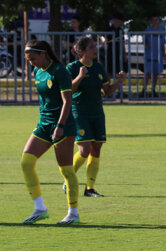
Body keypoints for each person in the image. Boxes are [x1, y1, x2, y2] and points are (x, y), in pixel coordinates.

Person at [20, 40, 80, 225]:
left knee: (66, 170)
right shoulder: (38, 71)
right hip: (44, 124)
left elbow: (67, 102)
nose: (31, 63)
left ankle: (73, 214)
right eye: (28, 60)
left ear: (44, 53)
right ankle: (40, 209)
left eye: (33, 58)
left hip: (62, 125)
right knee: (26, 162)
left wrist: (60, 126)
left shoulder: (60, 72)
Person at [65, 36, 126, 197]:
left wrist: (119, 82)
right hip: (79, 112)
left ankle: (90, 188)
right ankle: (68, 180)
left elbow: (107, 92)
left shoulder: (98, 67)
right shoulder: (72, 67)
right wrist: (80, 76)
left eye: (95, 46)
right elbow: (68, 90)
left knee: (96, 149)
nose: (95, 49)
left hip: (97, 113)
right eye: (92, 47)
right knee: (84, 149)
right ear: (82, 51)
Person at [142, 14, 166, 97]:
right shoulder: (147, 30)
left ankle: (153, 90)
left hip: (158, 56)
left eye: (157, 20)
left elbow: (163, 44)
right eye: (153, 20)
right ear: (151, 21)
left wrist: (164, 55)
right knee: (148, 73)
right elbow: (144, 41)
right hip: (149, 55)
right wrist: (147, 45)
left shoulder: (161, 31)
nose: (155, 22)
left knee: (156, 74)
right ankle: (143, 90)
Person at [101, 13, 128, 79]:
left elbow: (123, 42)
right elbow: (102, 36)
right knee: (109, 72)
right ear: (114, 20)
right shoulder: (109, 29)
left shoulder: (121, 30)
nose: (118, 22)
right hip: (110, 53)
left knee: (119, 72)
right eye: (116, 20)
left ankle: (118, 87)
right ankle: (108, 87)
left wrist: (125, 54)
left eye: (119, 21)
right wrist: (103, 40)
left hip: (119, 53)